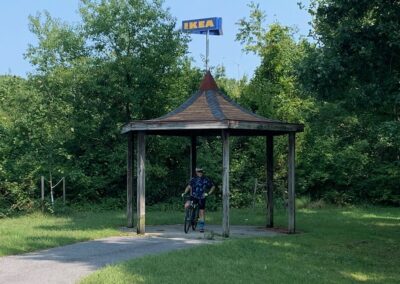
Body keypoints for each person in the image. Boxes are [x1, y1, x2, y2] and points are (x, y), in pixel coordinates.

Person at [182, 167, 215, 233]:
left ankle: (201, 227)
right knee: (187, 205)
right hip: (193, 196)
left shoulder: (206, 179)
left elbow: (213, 186)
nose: (200, 173)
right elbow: (189, 186)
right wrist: (185, 192)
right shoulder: (193, 179)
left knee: (201, 212)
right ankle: (188, 217)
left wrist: (208, 193)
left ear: (202, 172)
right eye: (198, 172)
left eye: (201, 171)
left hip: (202, 197)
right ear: (196, 172)